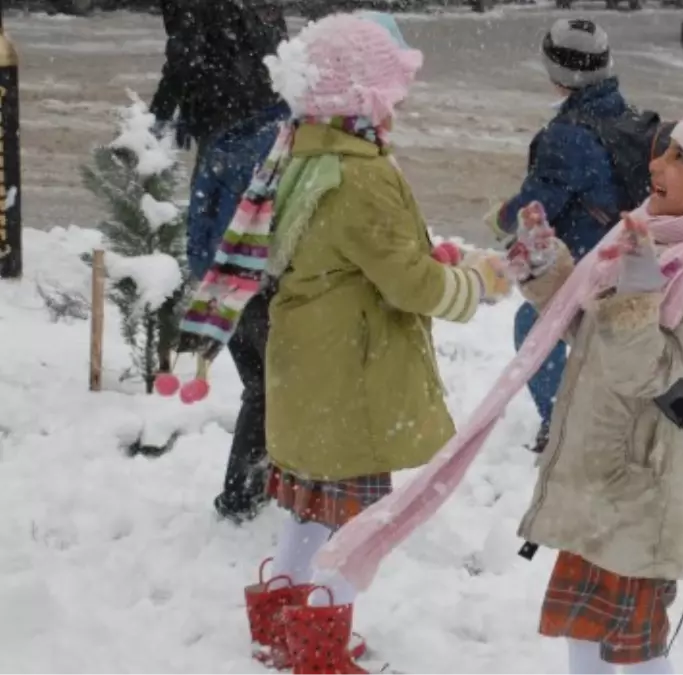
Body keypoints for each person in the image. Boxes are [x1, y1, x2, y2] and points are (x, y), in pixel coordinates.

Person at [209, 14, 512, 672]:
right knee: (353, 524)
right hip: (352, 379)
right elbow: (408, 284)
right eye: (391, 95)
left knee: (311, 508)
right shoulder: (360, 175)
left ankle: (279, 624)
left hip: (311, 365)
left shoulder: (303, 152)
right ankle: (319, 644)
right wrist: (475, 282)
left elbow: (352, 256)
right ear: (362, 100)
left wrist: (427, 254)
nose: (398, 107)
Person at [506, 98, 683, 675]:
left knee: (636, 648)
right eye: (669, 148)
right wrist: (547, 269)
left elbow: (644, 371)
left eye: (681, 157)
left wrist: (638, 284)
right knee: (584, 625)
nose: (658, 163)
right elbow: (597, 337)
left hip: (645, 487)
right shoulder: (658, 240)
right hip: (605, 475)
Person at [151, 0, 290, 523]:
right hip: (260, 274)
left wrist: (160, 118)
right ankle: (247, 496)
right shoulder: (276, 142)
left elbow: (202, 236)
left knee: (264, 381)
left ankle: (255, 490)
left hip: (229, 270)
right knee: (273, 384)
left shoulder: (224, 150)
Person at [488, 18, 629, 453]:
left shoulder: (567, 136)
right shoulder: (624, 114)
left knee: (534, 327)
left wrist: (501, 219)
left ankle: (561, 420)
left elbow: (538, 204)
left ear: (559, 75)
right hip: (620, 251)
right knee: (602, 341)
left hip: (584, 258)